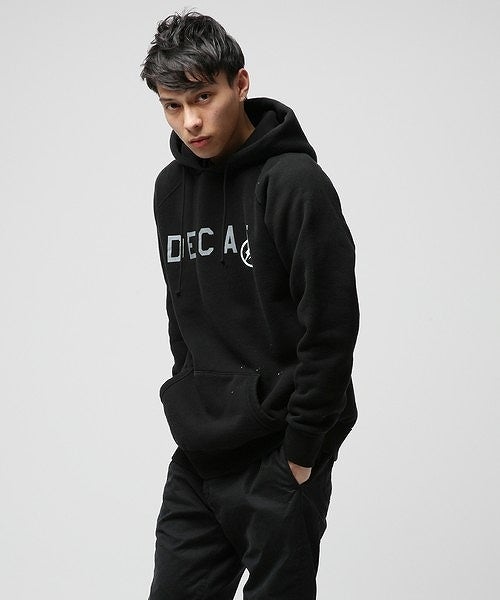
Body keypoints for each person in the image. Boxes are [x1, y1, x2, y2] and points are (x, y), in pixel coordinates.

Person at [140, 11, 359, 600]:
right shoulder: (170, 189)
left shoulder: (293, 182)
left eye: (203, 97)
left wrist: (303, 451)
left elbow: (332, 326)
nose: (190, 121)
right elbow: (182, 313)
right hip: (201, 452)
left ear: (240, 84)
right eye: (171, 105)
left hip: (279, 454)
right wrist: (187, 395)